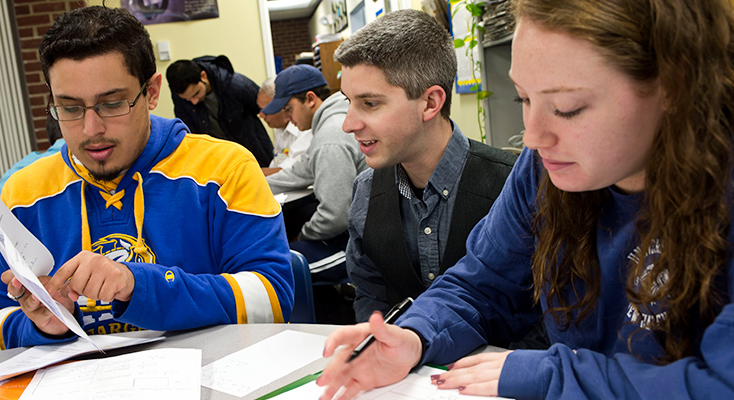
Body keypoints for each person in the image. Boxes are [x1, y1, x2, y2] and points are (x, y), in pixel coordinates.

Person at [317, 0, 734, 399]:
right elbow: (482, 284)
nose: (533, 137)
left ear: (674, 85)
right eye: (524, 99)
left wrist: (547, 373)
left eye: (567, 108)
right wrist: (414, 336)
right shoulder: (542, 171)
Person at [0, 6, 293, 350]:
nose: (91, 130)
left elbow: (273, 297)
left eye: (113, 103)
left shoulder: (226, 168)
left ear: (152, 93)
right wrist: (43, 326)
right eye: (70, 108)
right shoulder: (21, 193)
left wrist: (140, 286)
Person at [334, 10, 518, 323]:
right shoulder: (366, 191)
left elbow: (545, 316)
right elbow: (370, 293)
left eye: (370, 104)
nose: (348, 124)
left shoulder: (513, 185)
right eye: (347, 101)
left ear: (430, 103)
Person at [263, 64, 367, 284]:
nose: (287, 118)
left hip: (360, 246)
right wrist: (255, 184)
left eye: (289, 108)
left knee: (276, 269)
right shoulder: (332, 124)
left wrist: (302, 236)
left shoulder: (329, 137)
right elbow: (301, 172)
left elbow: (334, 215)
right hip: (354, 231)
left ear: (310, 99)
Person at [166, 56, 274, 167]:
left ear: (203, 76)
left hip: (253, 152)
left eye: (196, 93)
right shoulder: (180, 97)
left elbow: (266, 109)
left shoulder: (236, 85)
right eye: (188, 99)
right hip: (219, 160)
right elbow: (190, 134)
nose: (193, 102)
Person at [257, 76, 313, 171]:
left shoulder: (304, 127)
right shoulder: (279, 128)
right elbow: (277, 162)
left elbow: (294, 172)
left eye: (266, 111)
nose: (261, 116)